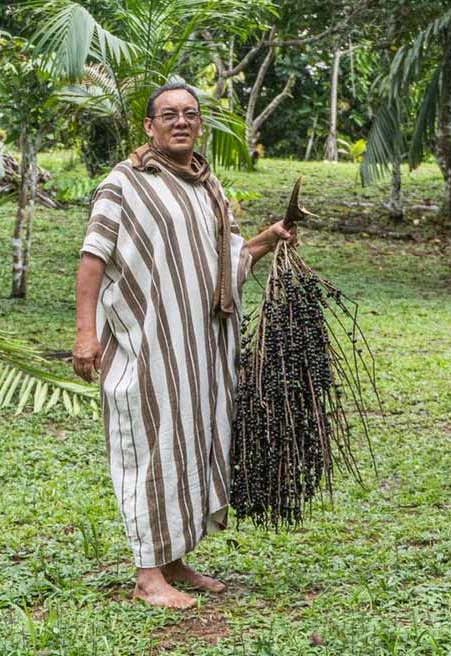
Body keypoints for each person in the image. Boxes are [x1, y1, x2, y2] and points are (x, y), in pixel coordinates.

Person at [72, 82, 296, 609]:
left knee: (187, 448)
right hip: (146, 349)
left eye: (190, 115)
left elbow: (228, 260)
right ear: (148, 127)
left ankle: (173, 561)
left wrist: (266, 239)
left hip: (199, 354)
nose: (180, 122)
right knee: (150, 451)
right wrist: (85, 335)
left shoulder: (208, 186)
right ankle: (147, 576)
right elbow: (92, 259)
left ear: (200, 127)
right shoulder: (124, 184)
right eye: (168, 115)